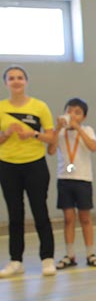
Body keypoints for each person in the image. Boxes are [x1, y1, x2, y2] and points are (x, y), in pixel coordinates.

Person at [0, 65, 58, 277]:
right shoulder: (1, 108)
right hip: (7, 166)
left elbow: (51, 138)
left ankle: (48, 259)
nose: (16, 81)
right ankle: (16, 261)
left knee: (40, 212)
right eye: (12, 78)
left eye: (20, 78)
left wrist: (33, 134)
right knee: (15, 215)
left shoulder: (39, 107)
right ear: (6, 83)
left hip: (35, 165)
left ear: (26, 81)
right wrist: (5, 134)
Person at [47, 98, 96, 269]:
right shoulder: (61, 133)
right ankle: (70, 255)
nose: (72, 115)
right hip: (64, 179)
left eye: (77, 112)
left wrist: (78, 128)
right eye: (69, 111)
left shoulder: (87, 130)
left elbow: (93, 147)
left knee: (85, 217)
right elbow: (50, 150)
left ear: (83, 117)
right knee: (68, 218)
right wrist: (57, 128)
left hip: (83, 179)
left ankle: (90, 253)